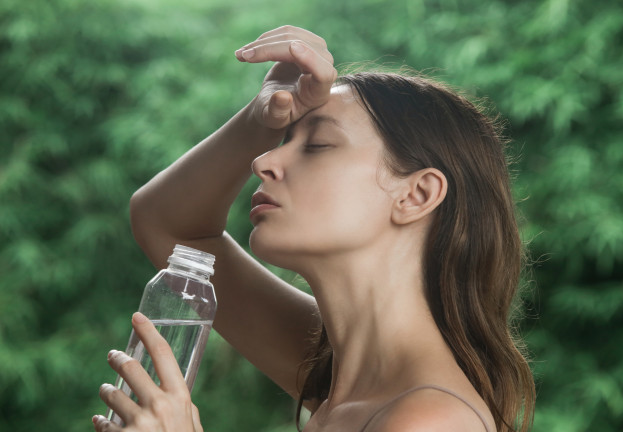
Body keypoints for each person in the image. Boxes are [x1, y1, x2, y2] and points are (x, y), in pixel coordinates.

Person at [92, 25, 535, 432]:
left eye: (318, 145)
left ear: (416, 196)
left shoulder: (430, 420)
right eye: (285, 139)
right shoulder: (339, 368)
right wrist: (260, 120)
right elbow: (167, 224)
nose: (263, 161)